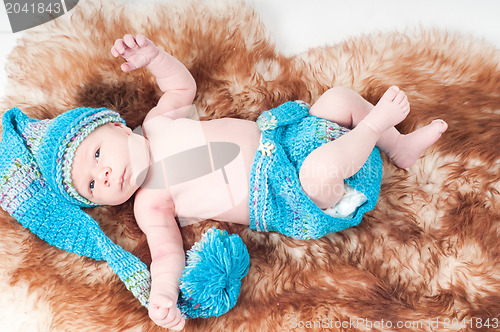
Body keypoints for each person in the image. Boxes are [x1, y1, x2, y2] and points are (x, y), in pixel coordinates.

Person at [4, 34, 448, 330]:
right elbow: (165, 253)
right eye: (91, 187)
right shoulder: (150, 202)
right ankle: (373, 131)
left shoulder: (158, 122)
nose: (102, 174)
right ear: (97, 203)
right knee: (320, 170)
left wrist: (155, 59)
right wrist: (161, 295)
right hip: (292, 195)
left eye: (97, 155)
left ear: (120, 127)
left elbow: (182, 88)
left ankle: (396, 144)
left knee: (336, 99)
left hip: (290, 136)